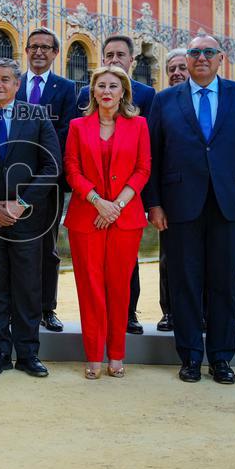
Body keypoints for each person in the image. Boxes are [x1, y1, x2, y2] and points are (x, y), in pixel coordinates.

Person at [144, 35, 235, 385]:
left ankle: (222, 358)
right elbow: (154, 155)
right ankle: (190, 357)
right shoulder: (166, 100)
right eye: (194, 52)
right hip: (180, 205)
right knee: (185, 283)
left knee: (224, 284)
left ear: (220, 59)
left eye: (207, 53)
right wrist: (153, 203)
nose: (200, 58)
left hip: (230, 203)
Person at [0, 59, 59, 377]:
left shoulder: (37, 116)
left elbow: (51, 167)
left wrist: (19, 204)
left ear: (18, 85)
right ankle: (0, 352)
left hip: (28, 220)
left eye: (5, 79)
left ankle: (28, 353)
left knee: (28, 286)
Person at [65, 66, 151, 379]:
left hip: (124, 218)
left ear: (123, 92)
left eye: (113, 86)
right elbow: (71, 169)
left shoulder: (139, 125)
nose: (106, 91)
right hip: (86, 216)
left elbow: (143, 169)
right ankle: (93, 355)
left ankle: (116, 354)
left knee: (119, 288)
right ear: (93, 92)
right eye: (101, 85)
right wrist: (98, 202)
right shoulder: (77, 126)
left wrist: (116, 206)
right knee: (90, 288)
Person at [76, 34, 156, 334]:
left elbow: (145, 162)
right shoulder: (82, 109)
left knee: (124, 274)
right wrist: (98, 201)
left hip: (128, 203)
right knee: (92, 278)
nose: (113, 60)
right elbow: (75, 160)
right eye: (108, 54)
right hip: (91, 206)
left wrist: (119, 204)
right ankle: (97, 345)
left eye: (120, 54)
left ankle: (128, 319)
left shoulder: (146, 102)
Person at [15, 27, 77, 333]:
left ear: (55, 53)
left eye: (45, 47)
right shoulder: (12, 84)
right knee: (13, 247)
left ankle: (46, 308)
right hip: (11, 178)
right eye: (33, 47)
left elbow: (65, 132)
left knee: (47, 248)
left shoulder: (66, 88)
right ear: (26, 51)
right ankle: (18, 307)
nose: (39, 52)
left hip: (49, 181)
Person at [156, 48, 189, 333]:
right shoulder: (161, 102)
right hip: (170, 195)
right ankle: (169, 312)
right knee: (168, 259)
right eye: (171, 69)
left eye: (182, 67)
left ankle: (200, 313)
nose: (176, 73)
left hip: (207, 193)